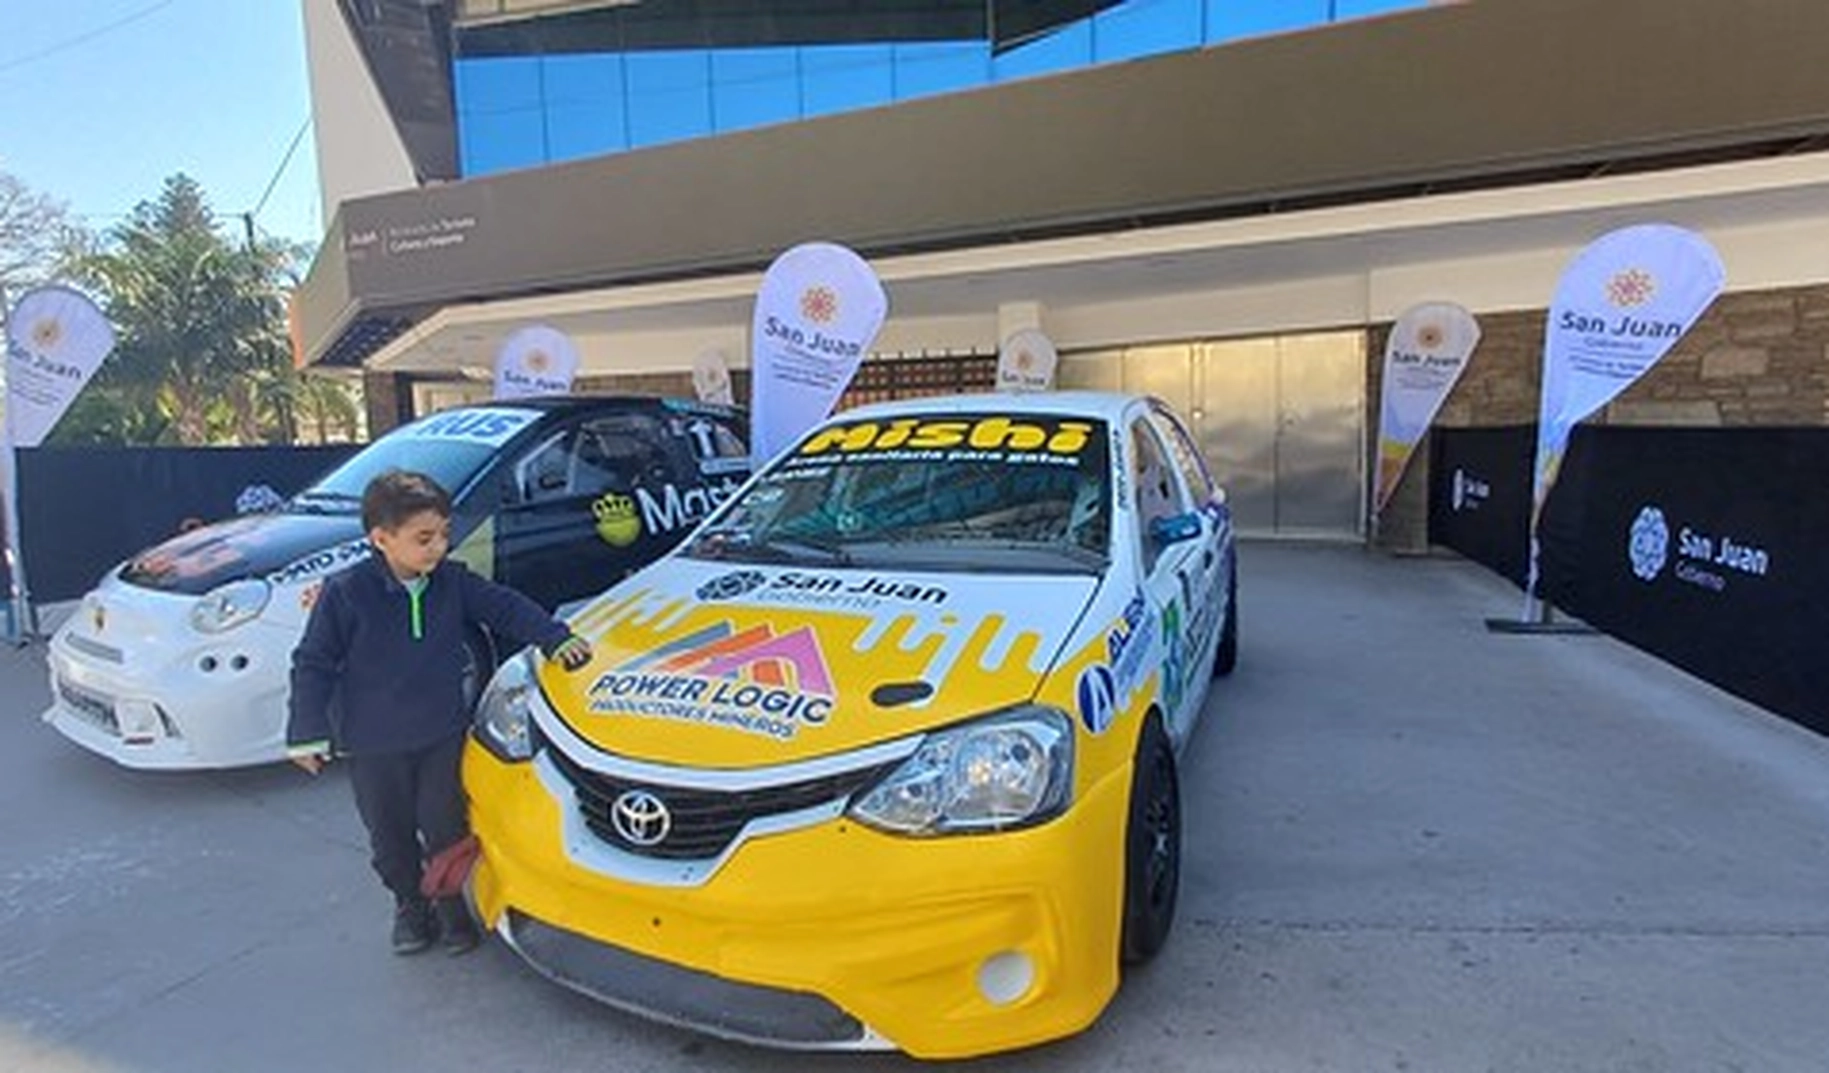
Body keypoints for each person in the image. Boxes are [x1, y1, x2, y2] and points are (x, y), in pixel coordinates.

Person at [286, 469, 593, 956]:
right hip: (372, 745)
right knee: (390, 838)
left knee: (447, 829)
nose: (438, 548)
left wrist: (554, 637)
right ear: (381, 539)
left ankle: (451, 907)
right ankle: (410, 905)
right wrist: (306, 731)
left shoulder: (452, 583)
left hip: (440, 736)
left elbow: (506, 607)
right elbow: (313, 663)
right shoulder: (346, 593)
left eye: (444, 535)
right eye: (424, 538)